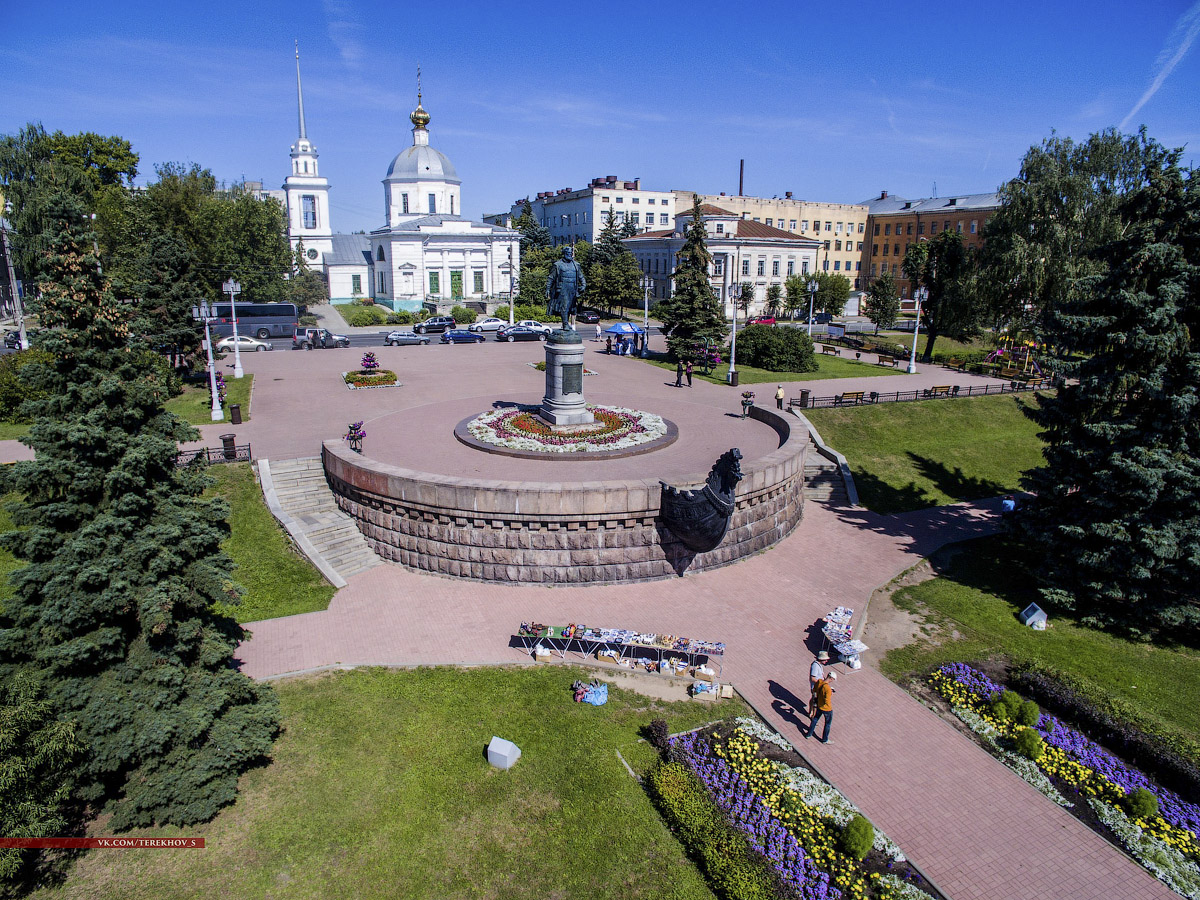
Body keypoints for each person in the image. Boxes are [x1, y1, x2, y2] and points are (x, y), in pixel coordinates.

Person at [545, 245, 587, 331]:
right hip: (563, 288)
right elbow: (551, 278)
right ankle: (565, 324)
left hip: (573, 288)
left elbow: (581, 276)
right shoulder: (557, 265)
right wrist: (548, 289)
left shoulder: (576, 265)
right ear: (564, 253)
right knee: (564, 306)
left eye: (570, 253)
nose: (569, 255)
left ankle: (566, 323)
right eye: (567, 253)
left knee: (570, 307)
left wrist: (583, 285)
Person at [804, 671, 836, 743]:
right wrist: (831, 694)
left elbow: (814, 690)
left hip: (819, 705)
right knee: (827, 724)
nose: (832, 681)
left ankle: (809, 734)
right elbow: (827, 700)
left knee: (815, 719)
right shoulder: (827, 688)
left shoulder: (819, 682)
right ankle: (825, 739)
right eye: (833, 679)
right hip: (826, 708)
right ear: (831, 678)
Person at [808, 650, 828, 715]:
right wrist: (821, 683)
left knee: (813, 699)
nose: (826, 661)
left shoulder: (819, 665)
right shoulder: (815, 666)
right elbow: (813, 678)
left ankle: (810, 711)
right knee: (815, 702)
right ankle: (813, 714)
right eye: (825, 660)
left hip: (818, 686)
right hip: (816, 687)